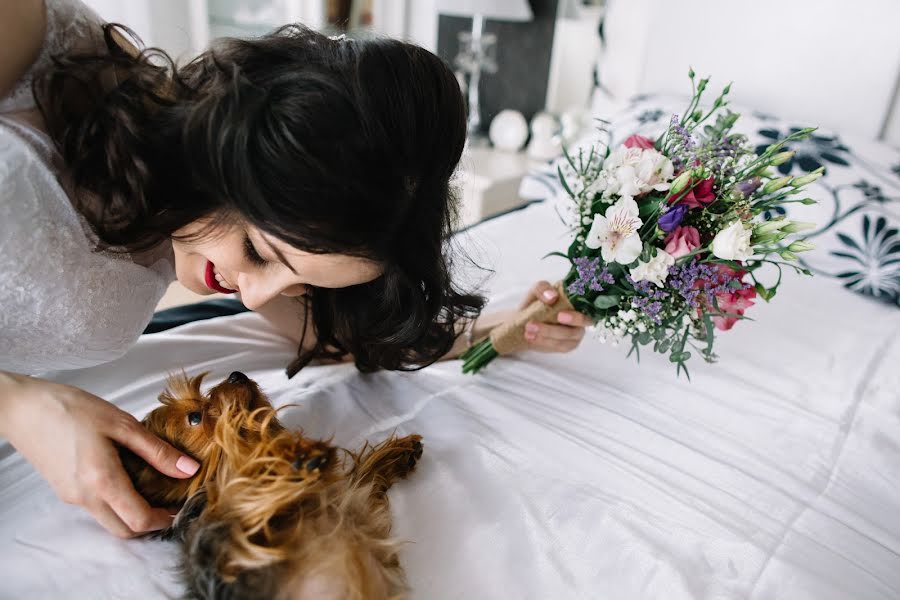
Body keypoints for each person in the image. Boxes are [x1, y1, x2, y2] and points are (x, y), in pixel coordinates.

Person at [0, 0, 593, 539]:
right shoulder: (33, 39)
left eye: (303, 281)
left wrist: (502, 332)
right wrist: (17, 404)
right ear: (229, 153)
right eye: (259, 251)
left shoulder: (220, 226)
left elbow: (339, 338)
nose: (257, 298)